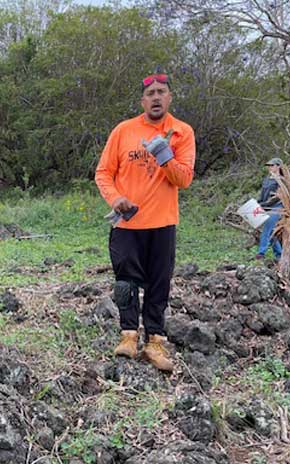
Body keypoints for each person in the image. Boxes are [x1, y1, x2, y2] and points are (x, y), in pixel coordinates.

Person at [95, 73, 196, 372]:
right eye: (150, 93)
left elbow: (184, 179)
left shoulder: (181, 132)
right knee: (125, 283)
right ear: (142, 100)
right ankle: (128, 335)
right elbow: (103, 173)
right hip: (126, 224)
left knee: (158, 284)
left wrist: (164, 154)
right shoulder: (124, 131)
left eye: (161, 92)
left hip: (163, 224)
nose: (155, 97)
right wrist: (115, 199)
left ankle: (155, 341)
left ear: (169, 97)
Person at [256, 157, 284, 261]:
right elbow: (263, 194)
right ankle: (279, 254)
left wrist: (264, 204)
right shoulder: (267, 180)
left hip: (277, 207)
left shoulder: (282, 180)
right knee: (272, 230)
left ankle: (261, 253)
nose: (270, 167)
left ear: (278, 166)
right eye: (269, 165)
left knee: (267, 228)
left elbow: (277, 197)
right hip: (266, 206)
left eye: (272, 165)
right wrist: (258, 203)